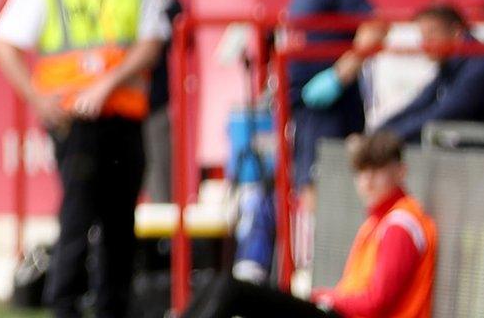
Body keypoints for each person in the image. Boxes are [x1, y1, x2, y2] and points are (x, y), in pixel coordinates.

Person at [0, 0, 170, 318]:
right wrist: (38, 100)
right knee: (77, 216)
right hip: (75, 120)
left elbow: (151, 43)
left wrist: (106, 85)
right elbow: (4, 42)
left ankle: (113, 307)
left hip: (124, 114)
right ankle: (64, 305)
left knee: (121, 220)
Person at [179, 131, 434, 318]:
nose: (367, 182)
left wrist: (326, 298)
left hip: (342, 314)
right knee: (218, 284)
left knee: (231, 291)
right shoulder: (380, 221)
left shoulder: (401, 224)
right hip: (339, 311)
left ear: (400, 172)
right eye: (361, 173)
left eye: (376, 172)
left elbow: (377, 303)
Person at [272, 0, 383, 213]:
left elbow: (374, 26)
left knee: (325, 192)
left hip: (332, 109)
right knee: (310, 192)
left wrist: (339, 75)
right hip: (308, 110)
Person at [377, 4, 484, 143]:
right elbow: (420, 103)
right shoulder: (456, 64)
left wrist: (388, 138)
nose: (425, 44)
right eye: (423, 36)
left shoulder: (481, 66)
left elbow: (443, 114)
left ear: (457, 31)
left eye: (431, 34)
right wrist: (378, 133)